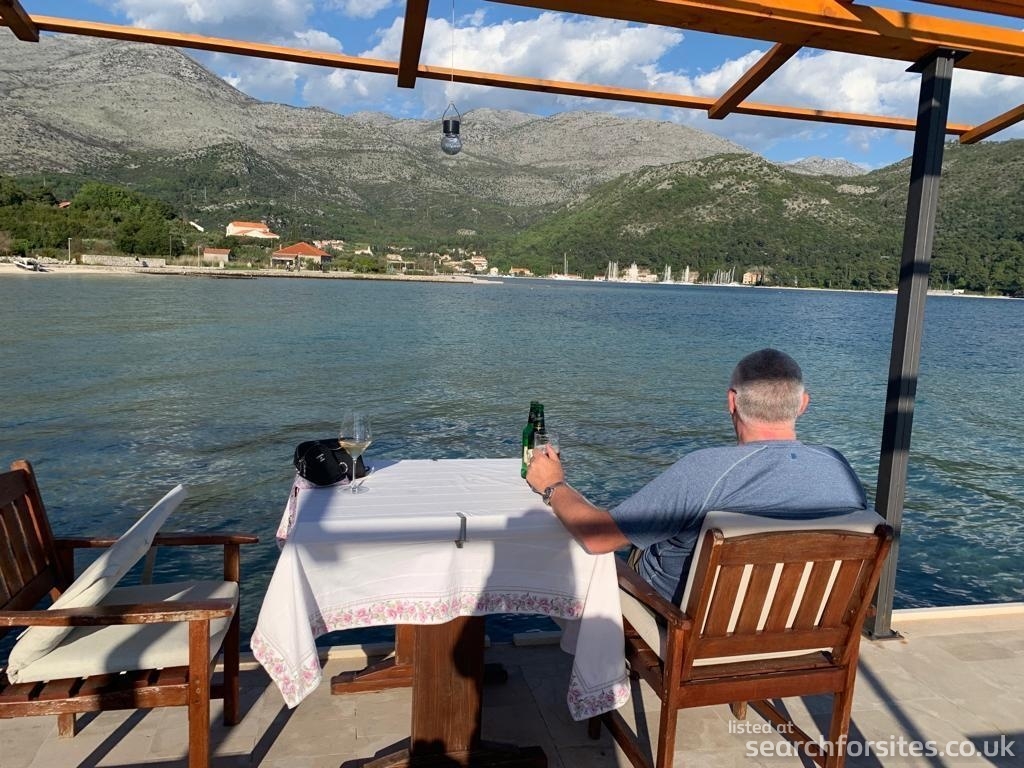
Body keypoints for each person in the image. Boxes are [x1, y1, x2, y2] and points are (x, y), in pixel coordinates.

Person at [525, 348, 871, 604]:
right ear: (803, 404)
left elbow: (597, 537)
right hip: (801, 629)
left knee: (596, 558)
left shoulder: (705, 471)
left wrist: (553, 484)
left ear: (732, 401)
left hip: (687, 628)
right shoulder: (839, 470)